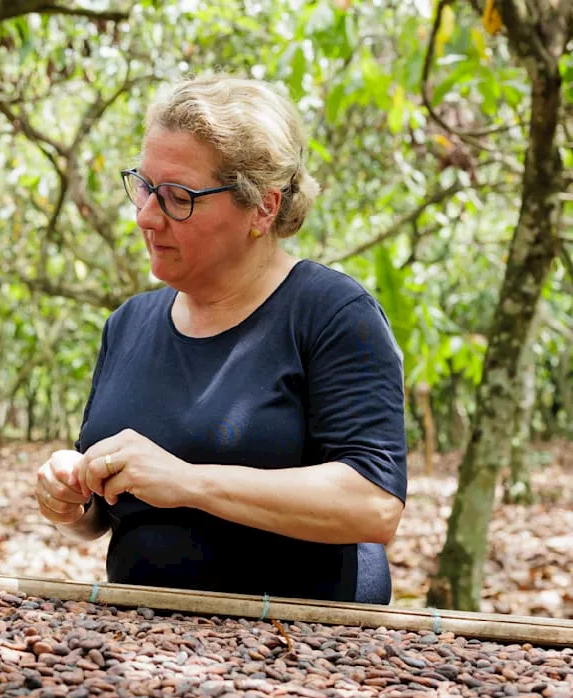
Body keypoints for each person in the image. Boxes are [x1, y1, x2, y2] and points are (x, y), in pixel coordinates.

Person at [34, 75, 407, 604]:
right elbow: (103, 516)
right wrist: (71, 500)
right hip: (142, 646)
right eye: (144, 186)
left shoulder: (333, 314)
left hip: (305, 653)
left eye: (178, 197)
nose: (145, 216)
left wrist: (189, 481)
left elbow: (373, 504)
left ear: (263, 207)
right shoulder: (129, 323)